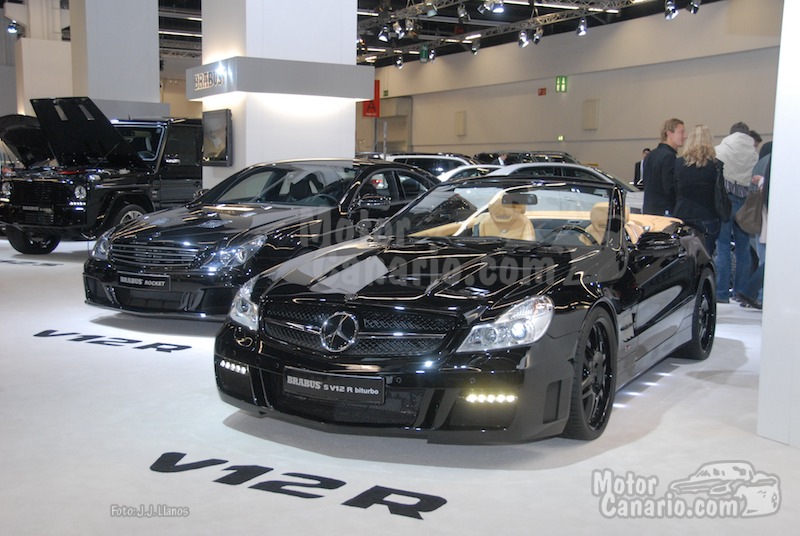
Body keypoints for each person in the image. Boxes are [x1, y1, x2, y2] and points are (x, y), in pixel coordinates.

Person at [713, 122, 759, 303]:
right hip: (745, 204)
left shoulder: (720, 149)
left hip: (724, 203)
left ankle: (721, 293)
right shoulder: (753, 153)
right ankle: (740, 293)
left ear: (731, 133)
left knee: (723, 247)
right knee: (743, 249)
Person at [673, 125, 721, 256]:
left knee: (684, 257)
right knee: (706, 256)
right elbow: (719, 193)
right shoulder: (716, 165)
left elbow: (674, 190)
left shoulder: (678, 164)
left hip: (683, 214)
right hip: (708, 215)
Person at [738, 142, 771, 309]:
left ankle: (754, 294)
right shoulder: (775, 161)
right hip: (770, 216)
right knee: (770, 259)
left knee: (762, 256)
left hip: (759, 217)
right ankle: (754, 292)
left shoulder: (761, 162)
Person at [642, 118, 686, 216]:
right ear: (669, 133)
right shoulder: (669, 157)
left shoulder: (651, 155)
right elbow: (670, 188)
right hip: (664, 212)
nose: (685, 136)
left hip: (649, 210)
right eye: (681, 132)